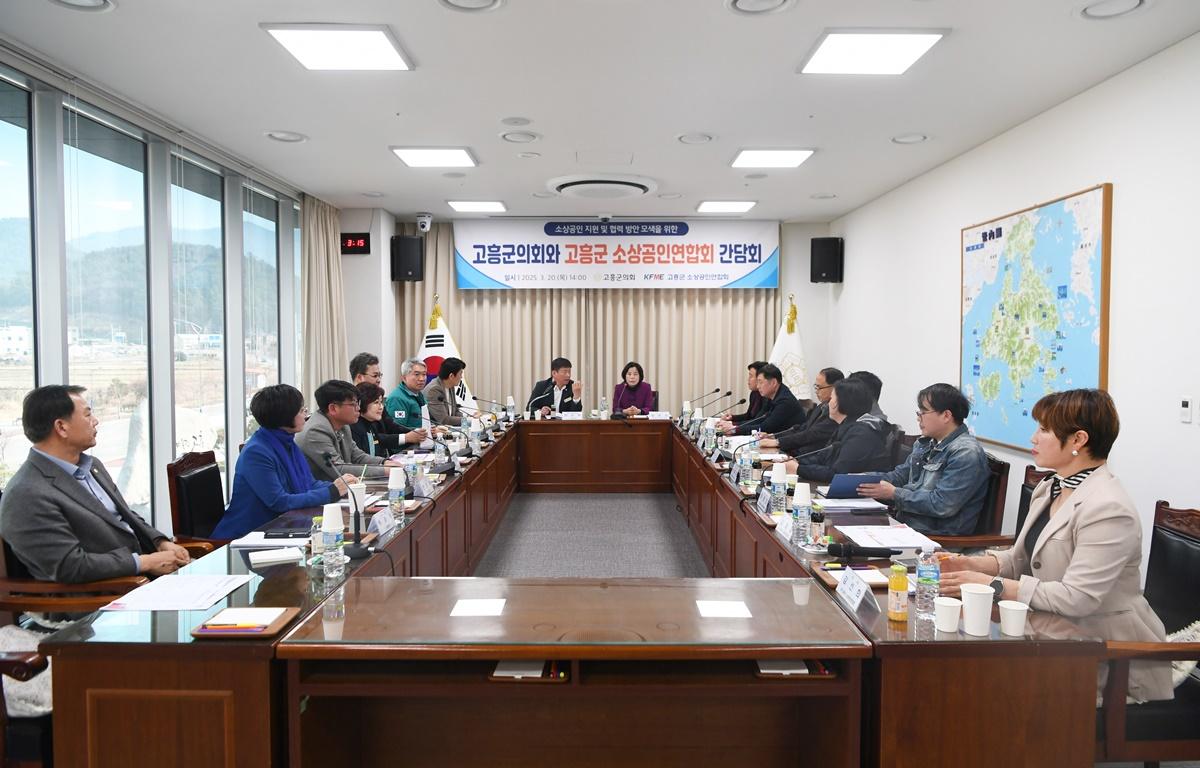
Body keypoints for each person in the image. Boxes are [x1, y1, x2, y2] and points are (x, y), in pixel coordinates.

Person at [940, 389, 1172, 704]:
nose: (1033, 438)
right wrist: (968, 565)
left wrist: (992, 586)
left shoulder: (1108, 508)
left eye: (1044, 430)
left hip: (1102, 652)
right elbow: (1021, 558)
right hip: (1051, 631)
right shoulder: (1050, 487)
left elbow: (1078, 598)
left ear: (1078, 440)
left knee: (966, 677)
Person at [0, 385, 190, 582]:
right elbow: (70, 566)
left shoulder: (92, 466)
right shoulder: (27, 493)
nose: (95, 421)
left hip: (144, 579)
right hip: (101, 599)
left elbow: (124, 515)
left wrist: (159, 542)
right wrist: (144, 563)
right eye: (87, 415)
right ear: (61, 427)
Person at [212, 384, 358, 540]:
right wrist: (332, 491)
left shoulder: (288, 442)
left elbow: (309, 483)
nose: (306, 416)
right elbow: (279, 501)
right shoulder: (256, 452)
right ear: (285, 416)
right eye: (302, 411)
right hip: (251, 535)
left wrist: (339, 485)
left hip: (287, 525)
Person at [856, 383, 990, 536]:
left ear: (946, 415)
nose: (918, 418)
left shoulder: (966, 452)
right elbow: (900, 475)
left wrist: (894, 494)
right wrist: (862, 480)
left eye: (923, 412)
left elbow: (942, 504)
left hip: (935, 536)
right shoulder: (926, 443)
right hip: (906, 525)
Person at [782, 377, 891, 482]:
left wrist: (798, 469)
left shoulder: (861, 433)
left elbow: (838, 473)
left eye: (832, 398)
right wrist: (796, 462)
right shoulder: (846, 426)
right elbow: (822, 458)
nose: (829, 403)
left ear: (839, 403)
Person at [297, 380, 395, 481]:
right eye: (353, 404)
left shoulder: (343, 425)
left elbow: (357, 456)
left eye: (358, 403)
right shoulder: (315, 431)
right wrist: (385, 471)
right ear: (333, 408)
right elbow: (339, 469)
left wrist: (384, 462)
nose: (358, 408)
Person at [757, 367, 842, 456]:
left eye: (819, 387)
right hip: (799, 452)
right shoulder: (822, 406)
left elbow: (810, 435)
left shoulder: (836, 413)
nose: (816, 391)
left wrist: (777, 442)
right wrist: (773, 436)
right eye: (815, 386)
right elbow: (802, 428)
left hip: (810, 457)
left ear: (834, 388)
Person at [351, 352, 426, 445]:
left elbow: (391, 425)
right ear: (359, 377)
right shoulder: (351, 404)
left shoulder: (377, 399)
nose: (378, 380)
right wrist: (406, 437)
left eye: (379, 375)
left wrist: (419, 432)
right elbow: (374, 438)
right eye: (375, 376)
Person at [725, 363, 801, 436]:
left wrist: (735, 429)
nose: (758, 386)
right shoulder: (773, 396)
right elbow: (759, 420)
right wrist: (734, 426)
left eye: (760, 382)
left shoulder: (785, 401)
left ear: (773, 383)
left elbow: (766, 427)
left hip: (791, 447)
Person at [350, 382, 417, 457]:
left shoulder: (371, 423)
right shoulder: (355, 428)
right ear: (362, 404)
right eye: (376, 402)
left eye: (381, 402)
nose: (381, 407)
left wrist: (417, 432)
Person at [717, 361, 766, 430]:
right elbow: (748, 416)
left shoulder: (767, 397)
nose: (748, 379)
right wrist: (732, 418)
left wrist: (733, 425)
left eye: (751, 376)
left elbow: (757, 420)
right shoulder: (754, 394)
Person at [385, 357, 429, 431]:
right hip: (410, 441)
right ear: (404, 378)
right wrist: (424, 430)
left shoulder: (419, 394)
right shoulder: (397, 398)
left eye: (424, 374)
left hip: (424, 439)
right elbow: (396, 429)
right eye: (417, 374)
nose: (422, 379)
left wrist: (433, 428)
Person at [424, 357, 467, 426]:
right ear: (451, 376)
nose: (461, 377)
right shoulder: (434, 390)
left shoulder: (450, 385)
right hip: (436, 432)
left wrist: (467, 418)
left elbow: (455, 411)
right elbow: (444, 420)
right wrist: (468, 421)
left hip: (450, 430)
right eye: (460, 374)